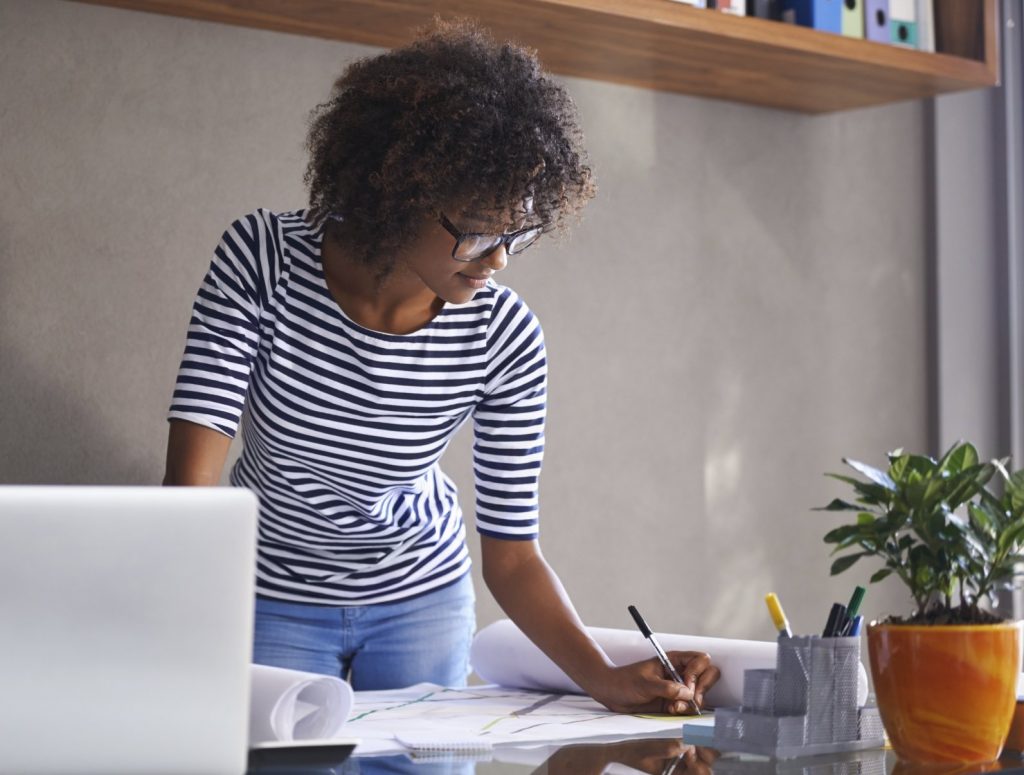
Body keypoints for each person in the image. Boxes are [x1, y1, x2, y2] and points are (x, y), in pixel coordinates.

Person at [163, 19, 719, 715]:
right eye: (479, 232)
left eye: (518, 233)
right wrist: (180, 630)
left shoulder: (504, 334)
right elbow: (189, 482)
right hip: (270, 591)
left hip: (421, 597)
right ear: (396, 193)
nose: (499, 260)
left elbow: (512, 556)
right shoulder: (261, 259)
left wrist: (603, 676)